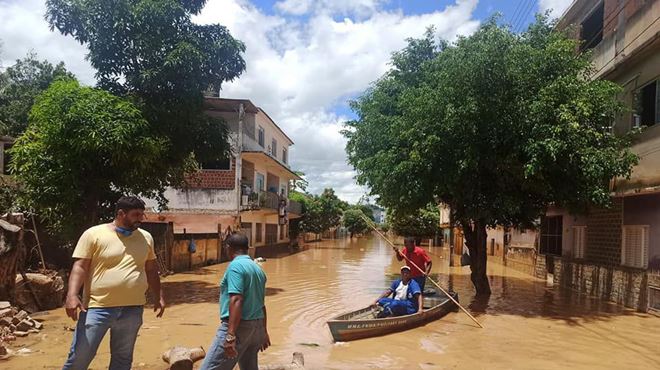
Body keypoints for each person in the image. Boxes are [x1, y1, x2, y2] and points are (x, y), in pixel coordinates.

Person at [63, 196, 165, 370]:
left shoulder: (146, 237)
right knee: (80, 358)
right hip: (97, 308)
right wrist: (72, 295)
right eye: (136, 215)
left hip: (132, 309)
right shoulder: (94, 234)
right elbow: (80, 267)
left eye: (142, 214)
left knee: (123, 360)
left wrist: (159, 296)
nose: (140, 219)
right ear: (121, 213)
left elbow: (150, 269)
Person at [201, 233, 270, 370]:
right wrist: (264, 331)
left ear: (228, 247)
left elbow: (236, 299)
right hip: (256, 329)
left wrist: (230, 335)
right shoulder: (257, 269)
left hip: (239, 327)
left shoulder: (235, 267)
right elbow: (261, 304)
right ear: (247, 248)